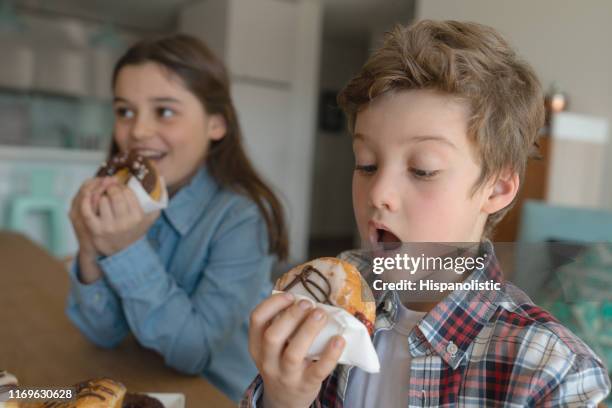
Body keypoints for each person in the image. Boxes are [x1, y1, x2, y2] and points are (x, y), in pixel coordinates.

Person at [241, 20, 611, 407]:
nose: (379, 193)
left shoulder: (551, 372)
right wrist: (283, 397)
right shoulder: (327, 305)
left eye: (423, 170)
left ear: (497, 189)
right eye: (366, 164)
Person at [67, 34, 287, 402]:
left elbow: (193, 353)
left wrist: (126, 249)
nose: (137, 131)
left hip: (217, 395)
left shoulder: (242, 220)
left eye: (164, 111)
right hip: (140, 380)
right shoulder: (127, 201)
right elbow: (103, 334)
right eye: (125, 111)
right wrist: (90, 248)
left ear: (216, 124)